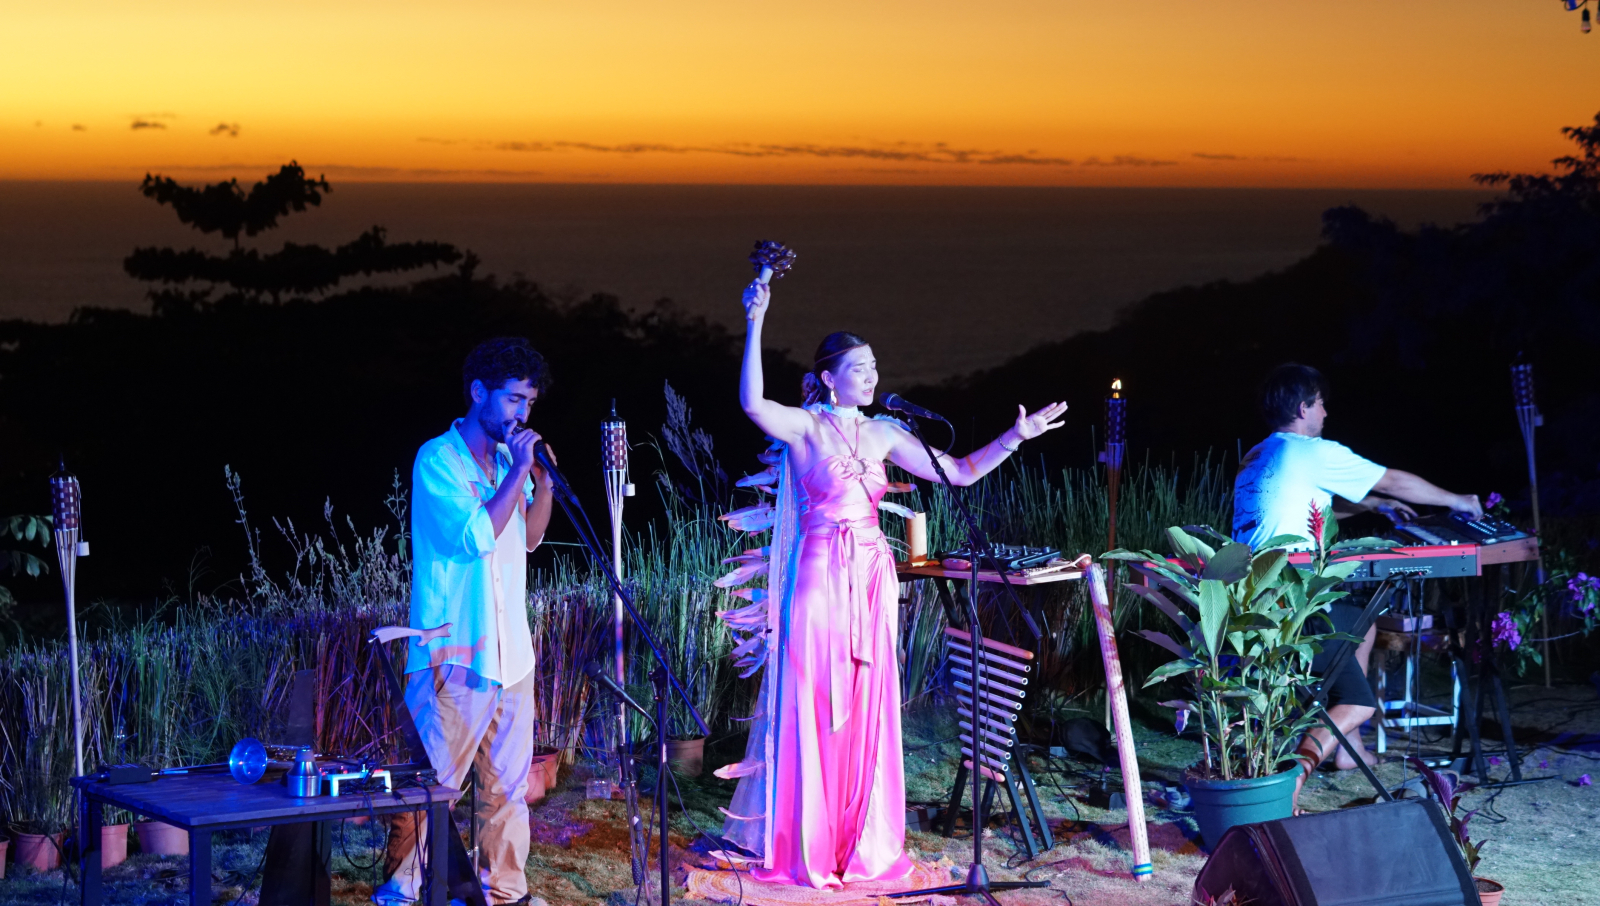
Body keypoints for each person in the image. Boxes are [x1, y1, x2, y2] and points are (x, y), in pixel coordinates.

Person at [721, 278, 1068, 889]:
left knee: (867, 706)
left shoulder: (883, 432)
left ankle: (862, 843)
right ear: (828, 377)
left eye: (875, 366)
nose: (872, 376)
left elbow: (957, 474)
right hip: (821, 576)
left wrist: (1016, 437)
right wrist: (755, 321)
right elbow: (752, 404)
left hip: (873, 575)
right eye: (859, 367)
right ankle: (810, 844)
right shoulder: (804, 426)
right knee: (816, 702)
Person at [1231, 363, 1482, 809]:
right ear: (1304, 406)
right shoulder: (1312, 450)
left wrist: (1377, 505)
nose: (1326, 412)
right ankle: (1293, 779)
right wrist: (1455, 500)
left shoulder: (1260, 456)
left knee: (1362, 626)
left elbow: (1311, 509)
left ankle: (1352, 751)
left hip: (1253, 601)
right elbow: (1392, 477)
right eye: (1321, 403)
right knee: (1358, 700)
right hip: (1294, 602)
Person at [374, 337, 556, 906]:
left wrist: (542, 482)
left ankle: (504, 891)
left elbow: (527, 539)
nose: (522, 414)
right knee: (436, 787)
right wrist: (518, 474)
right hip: (454, 651)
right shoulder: (437, 460)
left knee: (506, 790)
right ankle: (402, 889)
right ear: (478, 392)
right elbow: (478, 536)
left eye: (528, 402)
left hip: (511, 654)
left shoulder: (510, 463)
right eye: (512, 399)